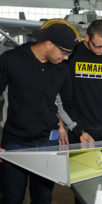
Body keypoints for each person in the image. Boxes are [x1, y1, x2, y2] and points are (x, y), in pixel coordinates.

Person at [0, 23, 88, 204]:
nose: (65, 58)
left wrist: (80, 132)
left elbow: (66, 106)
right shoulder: (10, 60)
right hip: (15, 144)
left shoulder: (62, 69)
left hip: (48, 144)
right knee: (12, 198)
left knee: (43, 198)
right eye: (64, 53)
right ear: (48, 43)